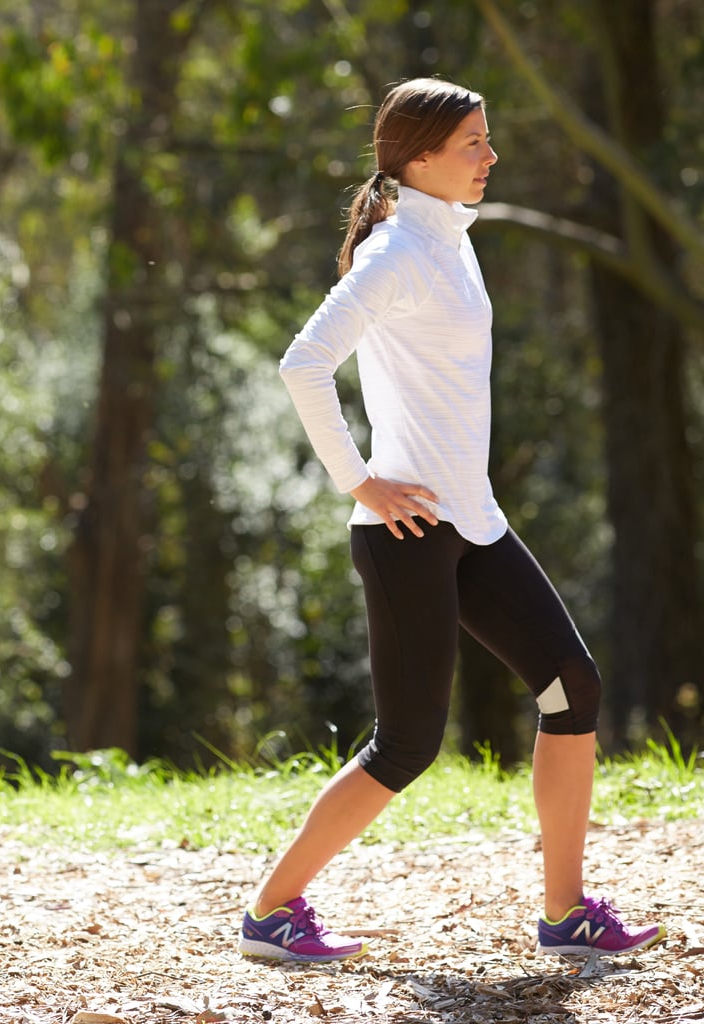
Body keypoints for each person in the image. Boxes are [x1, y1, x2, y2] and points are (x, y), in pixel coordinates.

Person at [238, 77, 666, 963]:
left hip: (471, 521)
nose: (490, 155)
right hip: (406, 534)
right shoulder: (397, 252)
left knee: (571, 688)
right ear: (419, 158)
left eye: (487, 137)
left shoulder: (448, 240)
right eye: (473, 142)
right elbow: (302, 363)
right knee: (405, 746)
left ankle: (564, 914)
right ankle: (271, 910)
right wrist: (359, 483)